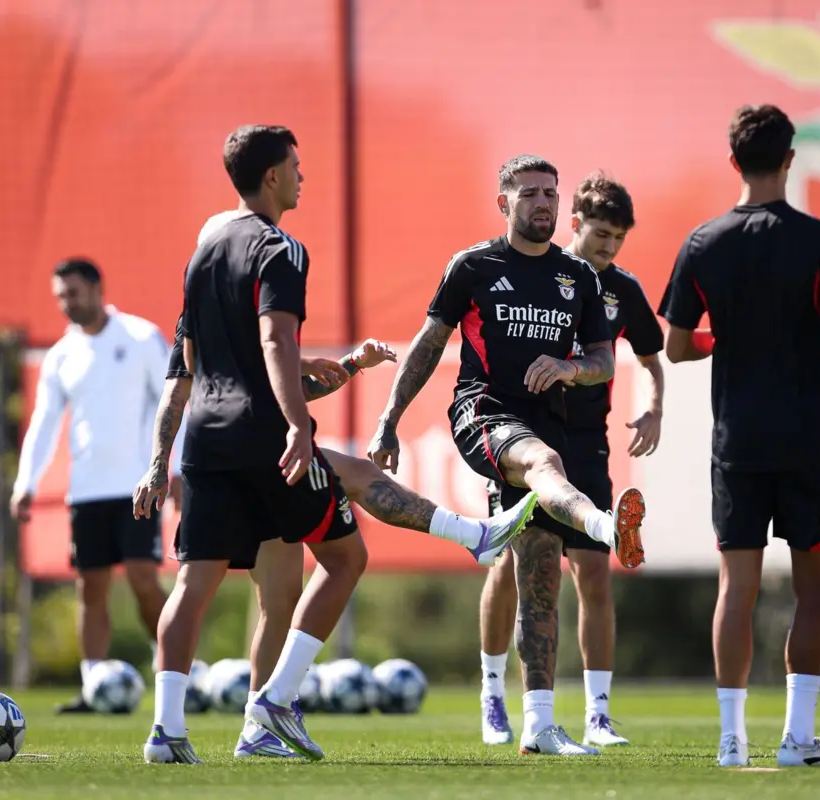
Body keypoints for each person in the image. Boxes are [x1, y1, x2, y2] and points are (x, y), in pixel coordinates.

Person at [132, 126, 529, 765]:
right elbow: (273, 342)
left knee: (196, 584)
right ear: (271, 177)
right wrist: (296, 424)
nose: (302, 176)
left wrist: (160, 460)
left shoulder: (201, 258)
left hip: (206, 440)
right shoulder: (280, 248)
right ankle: (273, 703)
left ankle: (167, 732)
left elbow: (194, 367)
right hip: (266, 437)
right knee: (345, 558)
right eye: (295, 165)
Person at [368, 155, 648, 757]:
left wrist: (571, 368)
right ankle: (605, 527)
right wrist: (389, 420)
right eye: (529, 194)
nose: (543, 203)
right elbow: (428, 344)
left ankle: (539, 725)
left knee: (540, 572)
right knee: (545, 466)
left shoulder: (578, 276)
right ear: (504, 203)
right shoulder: (474, 266)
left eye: (550, 193)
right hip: (483, 415)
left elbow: (604, 360)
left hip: (547, 428)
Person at [659, 104, 820, 769]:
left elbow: (676, 346)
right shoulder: (818, 240)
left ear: (733, 161)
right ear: (790, 159)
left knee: (737, 589)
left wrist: (725, 339)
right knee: (814, 592)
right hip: (809, 440)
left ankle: (732, 741)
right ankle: (798, 740)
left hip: (737, 441)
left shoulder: (703, 243)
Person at [477, 172, 665, 749]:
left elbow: (650, 359)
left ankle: (598, 716)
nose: (609, 247)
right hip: (526, 438)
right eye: (601, 234)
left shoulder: (622, 290)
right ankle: (492, 692)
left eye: (619, 239)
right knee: (510, 569)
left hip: (586, 445)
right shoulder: (542, 272)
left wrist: (653, 409)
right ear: (576, 224)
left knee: (593, 574)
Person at [10, 258, 182, 714]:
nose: (67, 303)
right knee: (91, 588)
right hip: (86, 491)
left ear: (96, 288)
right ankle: (93, 685)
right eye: (60, 296)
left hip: (137, 485)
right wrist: (26, 482)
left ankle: (177, 670)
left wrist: (174, 469)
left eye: (73, 293)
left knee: (143, 579)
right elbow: (44, 422)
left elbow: (174, 402)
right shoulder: (61, 356)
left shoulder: (140, 337)